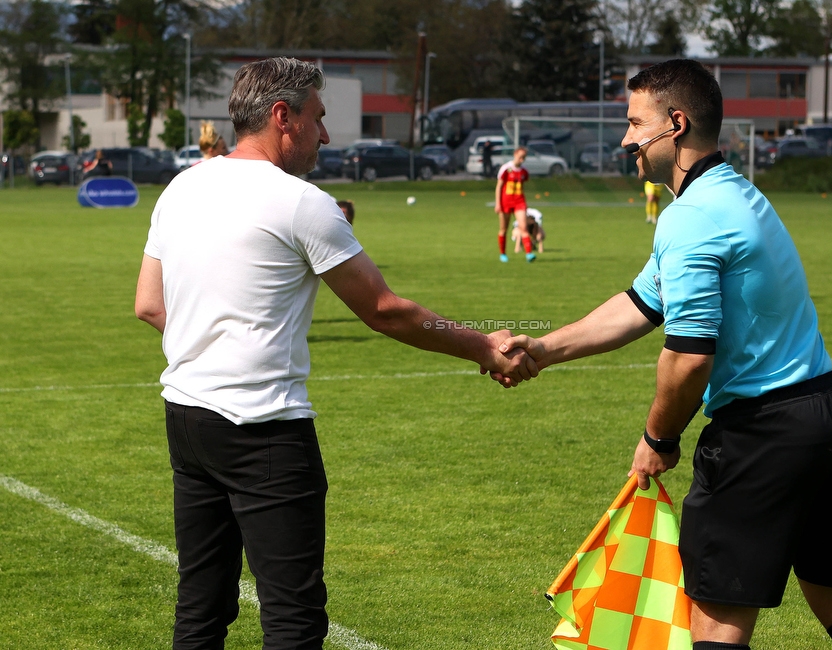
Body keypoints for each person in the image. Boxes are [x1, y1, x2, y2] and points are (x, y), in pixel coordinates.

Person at [491, 59, 832, 650]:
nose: (627, 139)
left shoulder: (692, 218)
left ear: (674, 124)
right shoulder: (733, 195)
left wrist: (658, 439)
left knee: (715, 626)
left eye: (635, 123)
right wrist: (544, 350)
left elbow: (687, 357)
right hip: (829, 420)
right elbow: (639, 303)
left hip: (762, 435)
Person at [134, 57, 535, 650]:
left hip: (187, 420)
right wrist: (484, 345)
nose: (325, 135)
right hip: (263, 429)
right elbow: (385, 309)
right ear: (282, 116)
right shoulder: (300, 201)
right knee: (293, 617)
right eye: (318, 118)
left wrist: (211, 348)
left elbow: (149, 303)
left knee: (200, 606)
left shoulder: (183, 185)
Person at [495, 146, 536, 263]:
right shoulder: (506, 169)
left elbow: (522, 187)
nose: (522, 160)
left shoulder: (524, 171)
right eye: (520, 157)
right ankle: (503, 254)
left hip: (519, 202)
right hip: (505, 202)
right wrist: (498, 203)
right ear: (515, 155)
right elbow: (499, 186)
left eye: (524, 158)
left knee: (524, 228)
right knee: (503, 229)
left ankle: (529, 254)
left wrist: (524, 202)